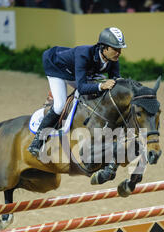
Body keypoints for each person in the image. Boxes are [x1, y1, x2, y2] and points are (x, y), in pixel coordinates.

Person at [27, 27, 127, 157]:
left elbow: (115, 80)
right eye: (116, 49)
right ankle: (37, 142)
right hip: (56, 68)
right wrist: (101, 86)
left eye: (120, 49)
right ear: (104, 47)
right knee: (60, 105)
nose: (119, 52)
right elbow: (81, 87)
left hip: (77, 72)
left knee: (95, 92)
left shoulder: (113, 59)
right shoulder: (84, 54)